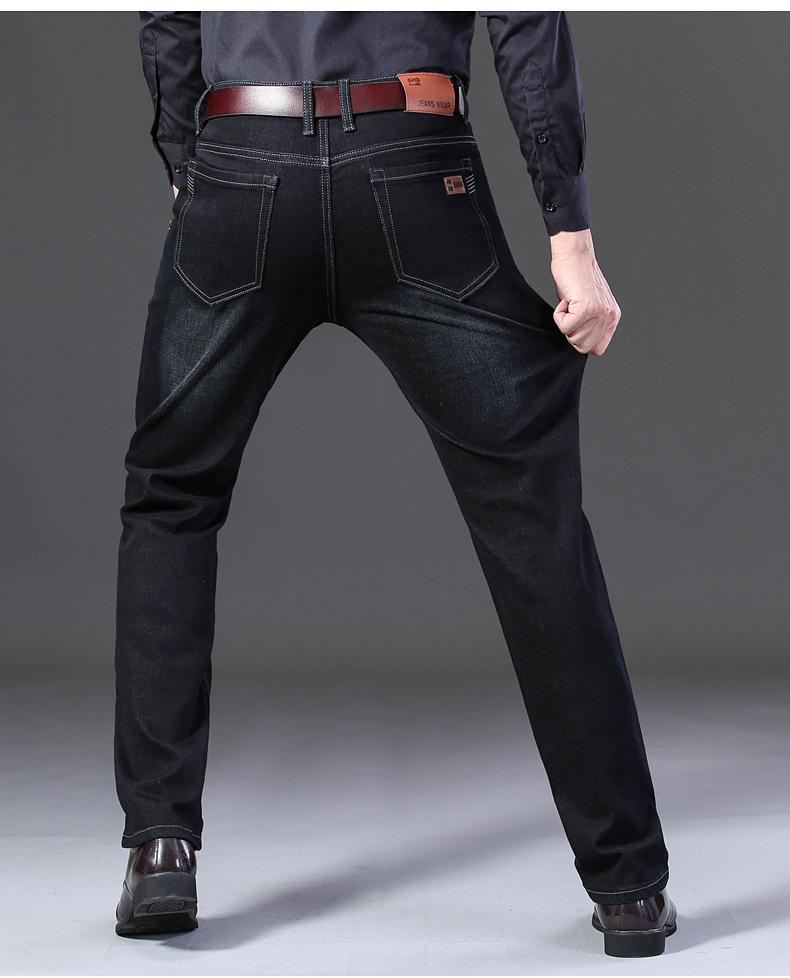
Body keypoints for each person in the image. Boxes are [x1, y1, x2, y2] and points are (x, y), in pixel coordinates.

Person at [114, 12, 676, 957]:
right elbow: (526, 19)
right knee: (530, 512)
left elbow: (169, 16)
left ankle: (160, 846)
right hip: (413, 167)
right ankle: (627, 887)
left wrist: (186, 157)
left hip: (242, 157)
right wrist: (569, 230)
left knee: (172, 494)